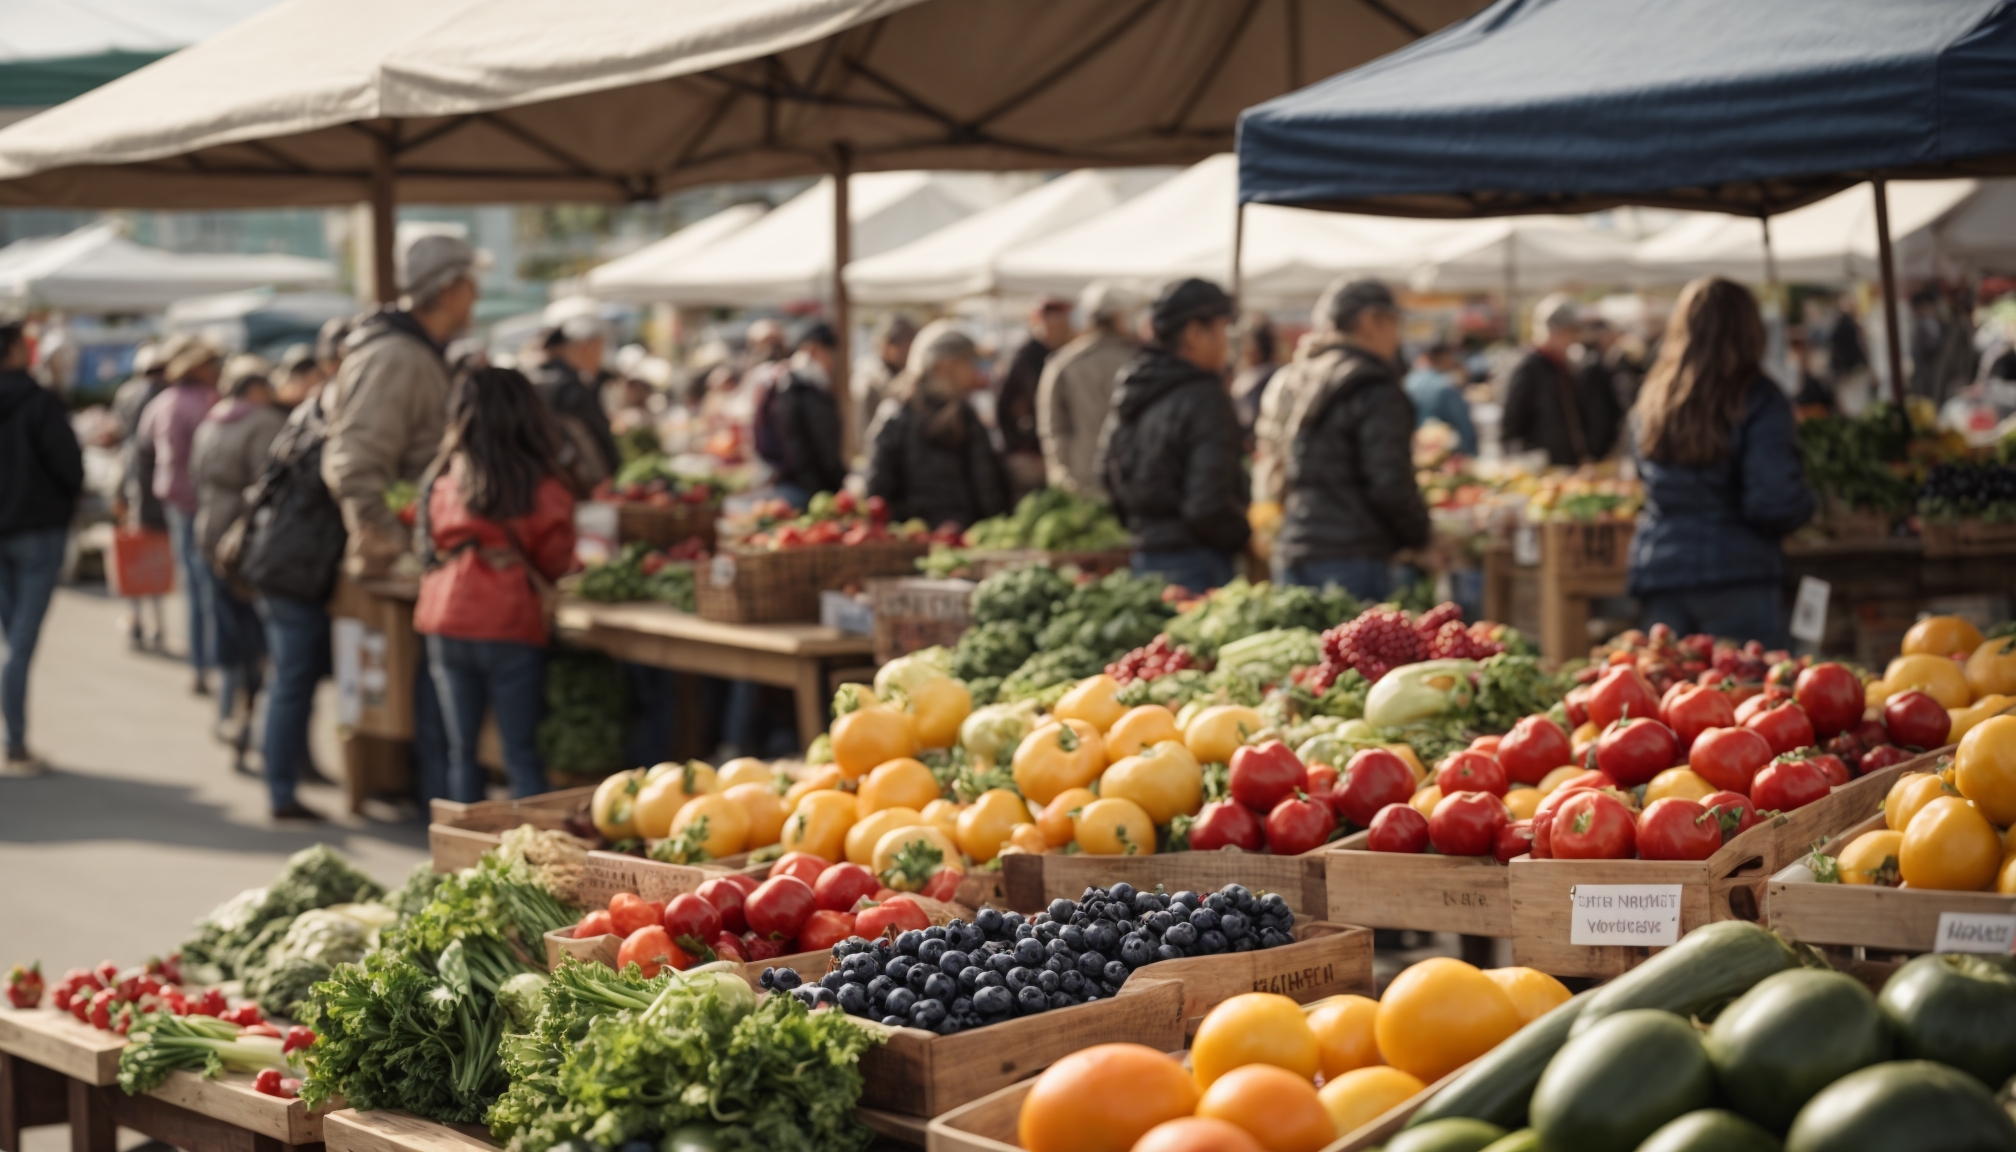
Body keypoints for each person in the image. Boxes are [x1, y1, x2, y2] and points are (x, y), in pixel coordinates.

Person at [415, 366, 578, 800]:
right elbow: (556, 560)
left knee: (461, 751)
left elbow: (426, 542)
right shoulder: (544, 485)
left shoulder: (447, 479)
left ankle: (459, 858)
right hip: (509, 618)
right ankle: (530, 860)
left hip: (447, 613)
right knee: (520, 753)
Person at [1628, 277, 1815, 646]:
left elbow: (1644, 479)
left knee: (1664, 695)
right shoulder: (1758, 396)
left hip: (1662, 573)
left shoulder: (1654, 396)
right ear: (1750, 328)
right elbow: (1773, 499)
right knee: (1746, 694)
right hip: (1737, 578)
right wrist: (1809, 503)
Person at [1263, 280, 1431, 600]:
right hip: (1351, 554)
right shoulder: (1373, 385)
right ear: (1370, 321)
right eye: (1394, 324)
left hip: (1295, 544)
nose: (1398, 338)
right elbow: (1389, 481)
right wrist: (1421, 538)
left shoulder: (1300, 375)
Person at [321, 233, 476, 578]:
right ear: (449, 289)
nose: (476, 295)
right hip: (403, 560)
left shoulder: (418, 352)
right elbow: (355, 463)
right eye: (471, 283)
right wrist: (394, 545)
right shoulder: (395, 357)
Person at [1097, 278, 1249, 596]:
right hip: (1198, 561)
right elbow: (1207, 504)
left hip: (1144, 556)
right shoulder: (1205, 396)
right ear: (1194, 332)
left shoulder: (1136, 385)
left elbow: (1106, 473)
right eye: (1222, 330)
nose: (1226, 343)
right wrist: (1244, 537)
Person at [191, 354, 285, 760]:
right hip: (241, 534)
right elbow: (269, 482)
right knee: (254, 634)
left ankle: (225, 713)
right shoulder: (262, 422)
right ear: (256, 389)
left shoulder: (213, 419)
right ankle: (247, 723)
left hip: (208, 524)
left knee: (226, 625)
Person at [0, 321, 84, 774]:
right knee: (20, 642)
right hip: (38, 530)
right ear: (14, 351)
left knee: (14, 637)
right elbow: (69, 465)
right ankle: (15, 741)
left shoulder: (40, 401)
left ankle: (16, 738)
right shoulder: (39, 403)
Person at [865, 321, 1014, 529]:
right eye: (968, 363)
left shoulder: (963, 415)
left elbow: (987, 485)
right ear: (943, 366)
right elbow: (878, 493)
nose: (974, 372)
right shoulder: (898, 415)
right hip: (916, 540)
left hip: (959, 540)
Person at [138, 338, 224, 695]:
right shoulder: (206, 403)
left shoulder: (162, 403)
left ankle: (200, 664)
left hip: (175, 502)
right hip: (201, 502)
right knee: (208, 586)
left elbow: (143, 449)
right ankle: (213, 661)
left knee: (193, 584)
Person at [1040, 283, 1137, 498]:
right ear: (1120, 317)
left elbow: (1052, 428)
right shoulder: (1138, 360)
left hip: (1083, 476)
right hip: (1132, 475)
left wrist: (1063, 473)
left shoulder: (1063, 362)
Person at [1502, 295, 1621, 466]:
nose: (1573, 339)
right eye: (1570, 332)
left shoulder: (1565, 365)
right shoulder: (1528, 368)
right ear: (1554, 331)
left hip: (1570, 467)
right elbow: (1511, 428)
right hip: (1543, 469)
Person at [110, 341, 168, 650]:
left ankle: (143, 621)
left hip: (140, 488)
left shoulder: (130, 395)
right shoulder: (165, 396)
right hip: (156, 490)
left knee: (140, 557)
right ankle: (151, 623)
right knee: (150, 558)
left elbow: (126, 448)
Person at [760, 321, 846, 507]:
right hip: (805, 488)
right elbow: (814, 443)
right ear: (815, 348)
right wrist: (831, 484)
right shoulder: (803, 385)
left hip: (798, 484)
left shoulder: (797, 382)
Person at [531, 309, 621, 482]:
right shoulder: (569, 387)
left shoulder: (537, 378)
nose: (601, 357)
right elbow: (599, 439)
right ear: (588, 347)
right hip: (571, 483)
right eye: (601, 348)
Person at [996, 298, 1072, 496]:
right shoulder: (1027, 358)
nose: (1063, 328)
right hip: (1032, 454)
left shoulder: (1056, 354)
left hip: (1048, 448)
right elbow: (1007, 408)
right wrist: (1023, 448)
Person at [852, 314, 919, 453]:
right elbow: (866, 435)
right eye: (907, 347)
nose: (910, 353)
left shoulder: (904, 373)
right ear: (888, 345)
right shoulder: (870, 380)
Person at [1403, 342, 1479, 457]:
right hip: (1440, 451)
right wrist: (1471, 453)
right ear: (1443, 357)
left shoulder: (1408, 381)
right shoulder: (1444, 385)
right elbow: (1463, 424)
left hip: (1414, 448)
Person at [1229, 315, 1281, 433]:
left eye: (1247, 343)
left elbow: (1250, 418)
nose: (1243, 349)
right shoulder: (1250, 375)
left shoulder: (1265, 378)